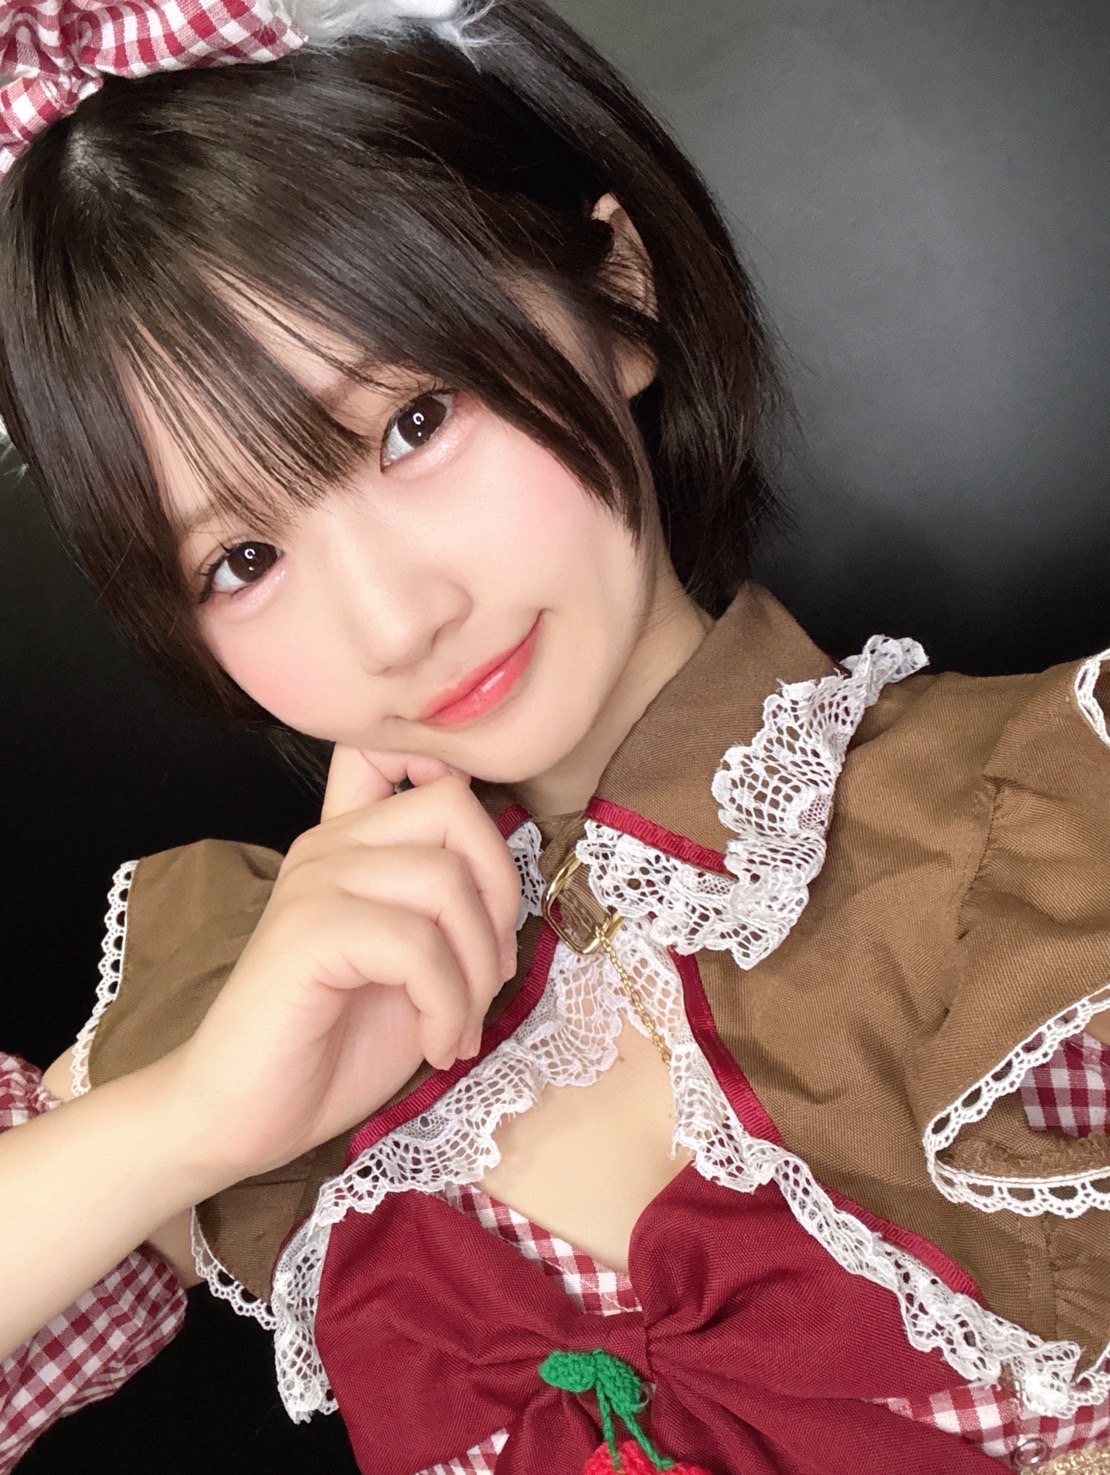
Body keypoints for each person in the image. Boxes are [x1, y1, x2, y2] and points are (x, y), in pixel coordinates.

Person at [1, 1, 1109, 1471]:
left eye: (413, 421)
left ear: (617, 293)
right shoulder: (254, 1004)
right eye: (241, 560)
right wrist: (190, 1121)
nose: (396, 621)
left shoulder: (1056, 821)